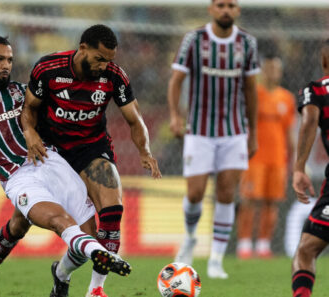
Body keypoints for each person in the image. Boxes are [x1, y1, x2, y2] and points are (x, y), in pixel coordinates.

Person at [0, 35, 131, 297]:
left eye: (10, 60)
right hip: (17, 177)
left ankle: (60, 274)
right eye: (0, 59)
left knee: (77, 231)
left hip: (52, 162)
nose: (6, 65)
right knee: (58, 220)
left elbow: (60, 112)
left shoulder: (21, 91)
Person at [21, 24, 161, 297]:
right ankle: (60, 274)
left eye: (109, 60)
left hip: (91, 149)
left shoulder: (114, 76)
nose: (103, 66)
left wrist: (145, 151)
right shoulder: (48, 69)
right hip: (53, 153)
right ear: (82, 48)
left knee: (112, 214)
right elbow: (29, 109)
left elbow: (135, 119)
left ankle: (96, 290)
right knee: (82, 235)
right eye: (99, 59)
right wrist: (29, 133)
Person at [167, 0, 259, 279]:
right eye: (221, 5)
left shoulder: (247, 43)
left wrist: (253, 132)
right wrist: (174, 115)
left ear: (238, 10)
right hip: (199, 130)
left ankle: (216, 260)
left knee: (226, 194)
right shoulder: (194, 39)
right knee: (195, 193)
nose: (226, 10)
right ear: (211, 9)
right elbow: (176, 81)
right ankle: (190, 237)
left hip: (234, 132)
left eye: (231, 5)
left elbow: (252, 91)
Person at [236, 54, 296, 259]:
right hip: (255, 158)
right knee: (250, 200)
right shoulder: (253, 95)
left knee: (272, 202)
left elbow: (289, 133)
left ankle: (263, 245)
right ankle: (244, 244)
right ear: (262, 71)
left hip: (278, 159)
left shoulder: (286, 98)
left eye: (276, 69)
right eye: (269, 69)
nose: (273, 73)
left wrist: (293, 160)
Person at [291, 39, 329, 297]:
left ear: (324, 61)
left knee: (307, 248)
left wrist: (299, 167)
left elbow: (310, 120)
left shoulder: (318, 89)